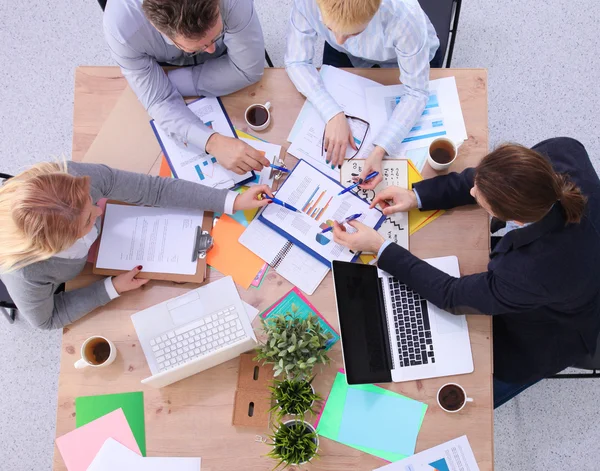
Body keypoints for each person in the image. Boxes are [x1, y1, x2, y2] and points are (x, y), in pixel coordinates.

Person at [332, 137, 600, 407]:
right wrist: (416, 196)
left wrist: (381, 247)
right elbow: (485, 179)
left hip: (552, 330)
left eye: (482, 200)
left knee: (477, 393)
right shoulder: (563, 152)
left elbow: (452, 295)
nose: (472, 193)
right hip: (578, 267)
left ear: (515, 220)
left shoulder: (529, 270)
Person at [0, 161, 273, 331]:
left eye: (90, 200)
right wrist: (110, 288)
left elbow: (154, 189)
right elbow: (47, 319)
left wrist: (230, 202)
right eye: (87, 221)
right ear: (56, 248)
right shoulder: (26, 273)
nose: (98, 211)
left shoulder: (72, 179)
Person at [103, 0, 269, 175]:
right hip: (167, 63)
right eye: (202, 46)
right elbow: (159, 101)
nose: (211, 49)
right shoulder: (121, 27)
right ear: (157, 28)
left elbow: (248, 69)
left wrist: (171, 83)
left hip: (218, 57)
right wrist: (211, 142)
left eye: (216, 36)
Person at [284, 0, 440, 177]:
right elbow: (296, 61)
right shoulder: (307, 4)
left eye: (355, 33)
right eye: (327, 27)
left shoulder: (405, 16)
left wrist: (381, 149)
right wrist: (332, 113)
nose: (339, 39)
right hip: (346, 55)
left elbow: (416, 92)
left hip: (400, 58)